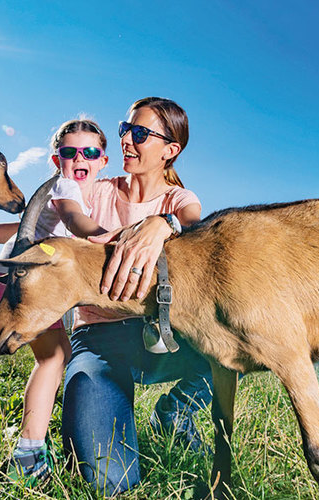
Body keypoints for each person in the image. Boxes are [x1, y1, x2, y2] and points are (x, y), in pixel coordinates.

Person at [60, 97, 213, 495]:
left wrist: (163, 223)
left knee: (233, 347)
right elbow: (60, 213)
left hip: (164, 336)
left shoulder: (178, 200)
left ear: (170, 150)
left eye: (140, 133)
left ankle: (177, 409)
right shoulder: (94, 191)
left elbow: (202, 229)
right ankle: (110, 405)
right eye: (125, 129)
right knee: (108, 479)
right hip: (98, 339)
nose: (126, 139)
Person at [0, 118, 110, 482]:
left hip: (29, 274)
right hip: (24, 279)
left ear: (103, 160)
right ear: (56, 159)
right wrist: (116, 238)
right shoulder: (65, 189)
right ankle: (28, 455)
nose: (80, 158)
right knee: (54, 357)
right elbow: (75, 223)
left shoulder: (82, 194)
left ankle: (32, 447)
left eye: (90, 152)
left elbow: (19, 232)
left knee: (58, 354)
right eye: (69, 152)